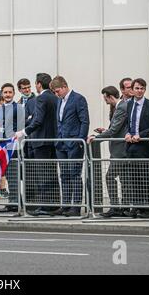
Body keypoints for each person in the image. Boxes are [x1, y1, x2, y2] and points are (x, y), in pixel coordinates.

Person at [16, 73, 60, 216]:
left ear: (39, 84)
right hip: (53, 141)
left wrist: (23, 131)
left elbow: (38, 120)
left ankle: (46, 206)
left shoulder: (41, 98)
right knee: (52, 173)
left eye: (35, 84)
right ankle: (54, 204)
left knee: (43, 174)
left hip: (41, 141)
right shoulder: (55, 97)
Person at [50, 76, 90, 217]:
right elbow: (60, 122)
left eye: (57, 91)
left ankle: (76, 206)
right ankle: (65, 205)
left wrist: (80, 139)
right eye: (54, 92)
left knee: (75, 175)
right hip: (61, 143)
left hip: (74, 142)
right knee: (64, 175)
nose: (56, 94)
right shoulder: (59, 101)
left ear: (65, 86)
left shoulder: (78, 99)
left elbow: (84, 121)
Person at [124, 78, 149, 218]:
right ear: (132, 90)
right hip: (131, 147)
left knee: (146, 178)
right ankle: (138, 207)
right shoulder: (129, 105)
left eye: (142, 88)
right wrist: (128, 133)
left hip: (145, 146)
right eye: (137, 88)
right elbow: (129, 123)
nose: (139, 91)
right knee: (134, 179)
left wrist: (141, 135)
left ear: (145, 90)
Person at [88, 86, 129, 217]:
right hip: (119, 149)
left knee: (110, 176)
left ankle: (116, 207)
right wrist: (104, 131)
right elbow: (115, 128)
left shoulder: (121, 107)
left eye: (105, 98)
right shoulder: (120, 107)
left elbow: (114, 130)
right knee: (124, 178)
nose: (105, 101)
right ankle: (123, 207)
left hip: (120, 150)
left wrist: (96, 137)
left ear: (110, 96)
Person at [0, 83, 25, 213]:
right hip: (2, 147)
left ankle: (14, 203)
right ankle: (14, 201)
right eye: (5, 92)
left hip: (14, 147)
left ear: (13, 93)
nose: (7, 94)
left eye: (10, 92)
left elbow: (20, 127)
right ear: (2, 94)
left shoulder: (18, 108)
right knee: (7, 175)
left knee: (13, 175)